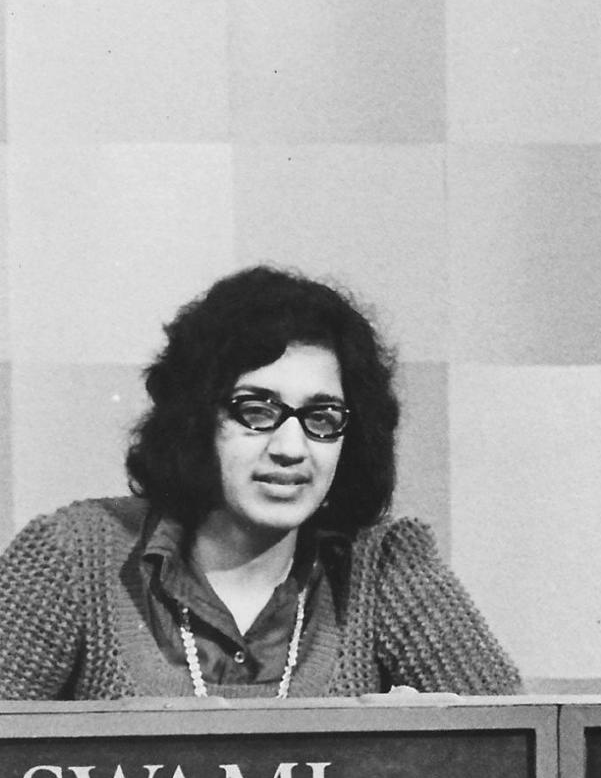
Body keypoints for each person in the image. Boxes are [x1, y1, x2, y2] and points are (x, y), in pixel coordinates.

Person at [0, 267, 521, 701]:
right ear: (196, 417)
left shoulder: (385, 566)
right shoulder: (73, 557)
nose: (292, 447)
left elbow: (522, 756)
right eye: (256, 410)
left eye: (321, 416)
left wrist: (424, 753)